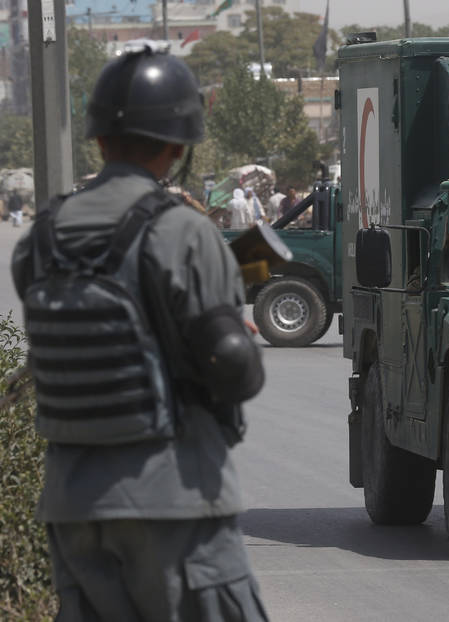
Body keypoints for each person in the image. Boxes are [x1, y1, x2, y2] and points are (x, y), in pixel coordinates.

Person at [9, 43, 269, 620]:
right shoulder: (184, 232)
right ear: (179, 147)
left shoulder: (41, 240)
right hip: (173, 502)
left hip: (73, 508)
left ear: (98, 139)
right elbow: (233, 368)